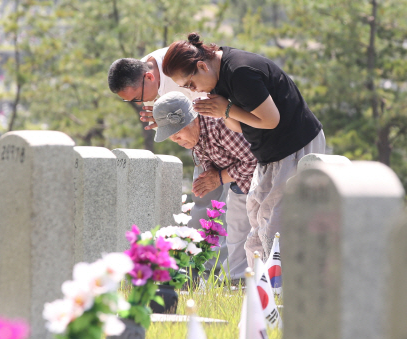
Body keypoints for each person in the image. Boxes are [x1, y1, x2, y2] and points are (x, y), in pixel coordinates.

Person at [162, 33, 325, 265]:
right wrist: (221, 111)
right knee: (258, 221)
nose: (194, 90)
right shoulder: (218, 76)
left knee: (277, 225)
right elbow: (239, 126)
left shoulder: (240, 72)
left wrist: (226, 109)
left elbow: (271, 120)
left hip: (294, 145)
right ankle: (260, 289)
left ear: (201, 66)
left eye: (191, 84)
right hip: (268, 154)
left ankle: (279, 292)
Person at [108, 50, 241, 278]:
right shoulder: (142, 70)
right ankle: (198, 268)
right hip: (201, 145)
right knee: (202, 200)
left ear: (149, 78)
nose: (142, 103)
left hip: (229, 138)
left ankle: (224, 272)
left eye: (138, 98)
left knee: (230, 207)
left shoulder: (176, 68)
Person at [153, 91, 256, 282]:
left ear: (192, 120)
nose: (175, 140)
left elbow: (254, 160)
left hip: (261, 184)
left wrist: (218, 178)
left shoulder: (219, 126)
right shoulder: (195, 136)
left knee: (250, 238)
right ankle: (228, 281)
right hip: (240, 184)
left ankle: (240, 283)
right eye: (171, 136)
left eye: (177, 132)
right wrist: (211, 175)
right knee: (233, 236)